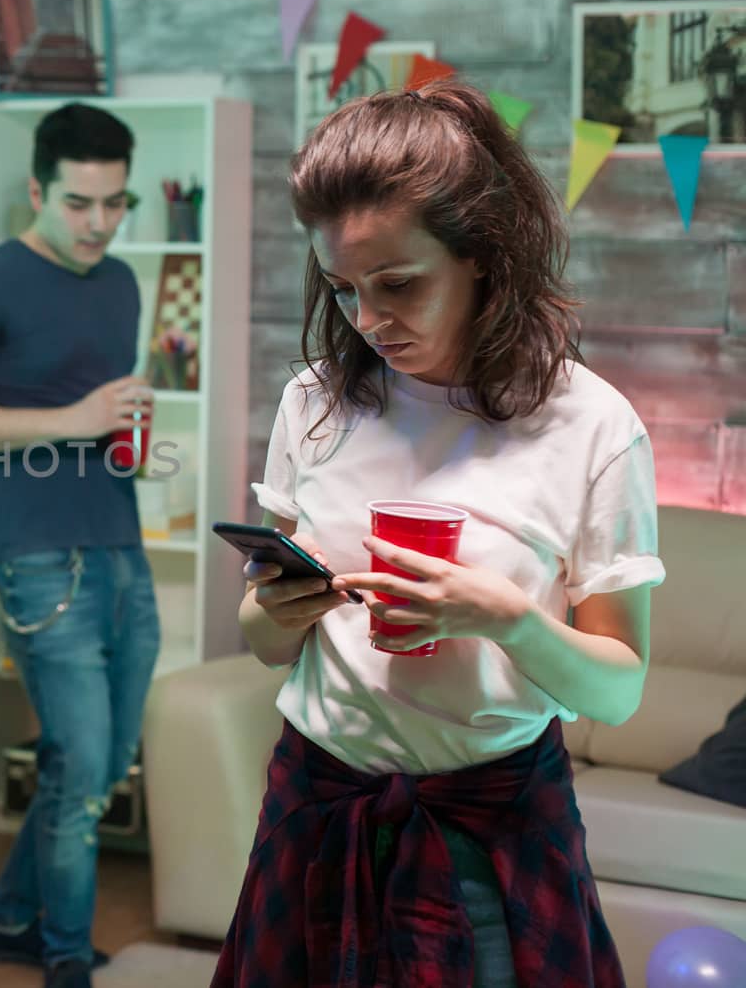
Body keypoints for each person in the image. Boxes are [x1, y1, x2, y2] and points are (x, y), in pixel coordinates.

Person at [212, 79, 664, 987]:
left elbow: (617, 694)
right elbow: (262, 643)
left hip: (487, 826)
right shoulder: (315, 400)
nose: (368, 321)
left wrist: (509, 619)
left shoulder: (590, 422)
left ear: (483, 256)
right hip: (316, 803)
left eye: (399, 284)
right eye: (341, 289)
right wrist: (282, 607)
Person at [0, 102, 160, 988]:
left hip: (120, 543)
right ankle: (64, 957)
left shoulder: (124, 283)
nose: (99, 223)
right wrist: (76, 418)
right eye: (79, 203)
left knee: (94, 761)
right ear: (36, 189)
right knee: (84, 762)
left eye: (115, 203)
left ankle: (11, 919)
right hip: (35, 554)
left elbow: (97, 410)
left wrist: (122, 421)